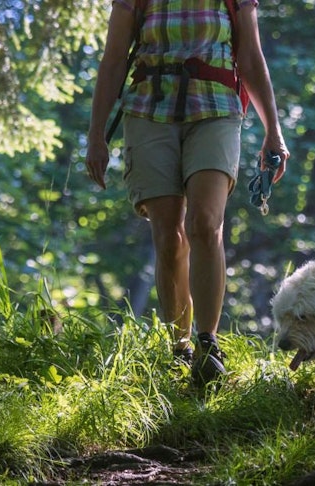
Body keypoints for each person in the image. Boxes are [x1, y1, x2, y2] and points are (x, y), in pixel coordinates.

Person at [85, 0, 289, 384]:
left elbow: (250, 55)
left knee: (205, 223)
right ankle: (179, 347)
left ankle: (208, 344)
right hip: (148, 110)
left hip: (216, 108)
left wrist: (272, 132)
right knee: (168, 237)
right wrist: (96, 135)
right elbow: (113, 60)